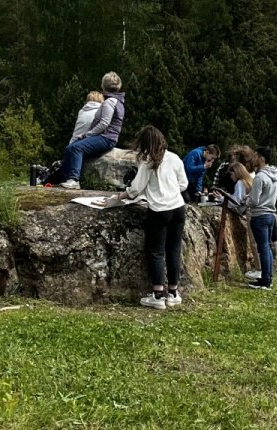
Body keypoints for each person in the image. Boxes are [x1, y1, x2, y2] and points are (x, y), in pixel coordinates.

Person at [114, 125, 188, 310]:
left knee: (156, 252)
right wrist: (170, 192)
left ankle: (157, 295)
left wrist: (119, 196)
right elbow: (184, 184)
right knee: (174, 249)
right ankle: (173, 292)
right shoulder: (174, 158)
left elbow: (136, 189)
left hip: (159, 210)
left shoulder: (147, 162)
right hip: (178, 208)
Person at [58, 72, 126, 189]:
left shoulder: (110, 102)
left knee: (76, 147)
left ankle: (74, 180)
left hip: (106, 138)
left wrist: (87, 134)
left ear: (103, 86)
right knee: (70, 148)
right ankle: (65, 177)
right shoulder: (118, 101)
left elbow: (104, 123)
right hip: (107, 137)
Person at [243, 147, 277, 291]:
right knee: (268, 248)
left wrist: (245, 201)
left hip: (259, 215)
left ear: (262, 159)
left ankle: (265, 281)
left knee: (263, 248)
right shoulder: (276, 174)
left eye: (256, 156)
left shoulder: (259, 177)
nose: (254, 158)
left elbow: (254, 201)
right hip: (271, 214)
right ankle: (268, 277)